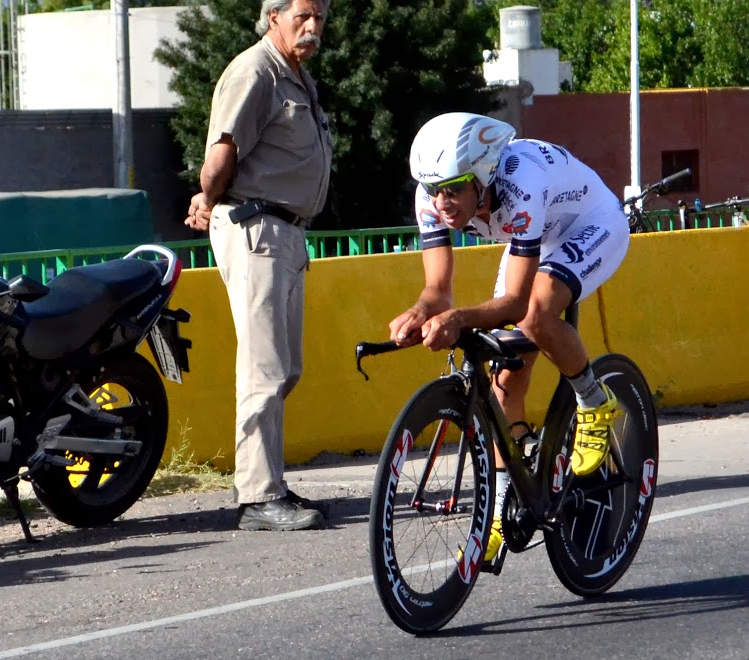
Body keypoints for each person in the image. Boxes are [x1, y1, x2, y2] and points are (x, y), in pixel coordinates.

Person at [389, 112, 630, 563]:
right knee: (504, 382)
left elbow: (518, 303)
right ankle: (504, 505)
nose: (441, 202)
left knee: (537, 317)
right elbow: (438, 290)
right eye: (431, 189)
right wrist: (420, 312)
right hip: (534, 239)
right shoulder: (434, 195)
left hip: (590, 224)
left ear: (482, 176)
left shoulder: (521, 185)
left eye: (453, 189)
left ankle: (595, 402)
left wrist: (458, 320)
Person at [184, 0, 333, 531]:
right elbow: (221, 156)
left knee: (284, 367)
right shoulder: (255, 69)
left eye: (320, 17)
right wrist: (210, 197)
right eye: (303, 17)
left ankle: (267, 481)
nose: (313, 26)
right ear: (274, 16)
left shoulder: (296, 75)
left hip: (284, 232)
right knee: (264, 368)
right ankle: (258, 496)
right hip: (257, 229)